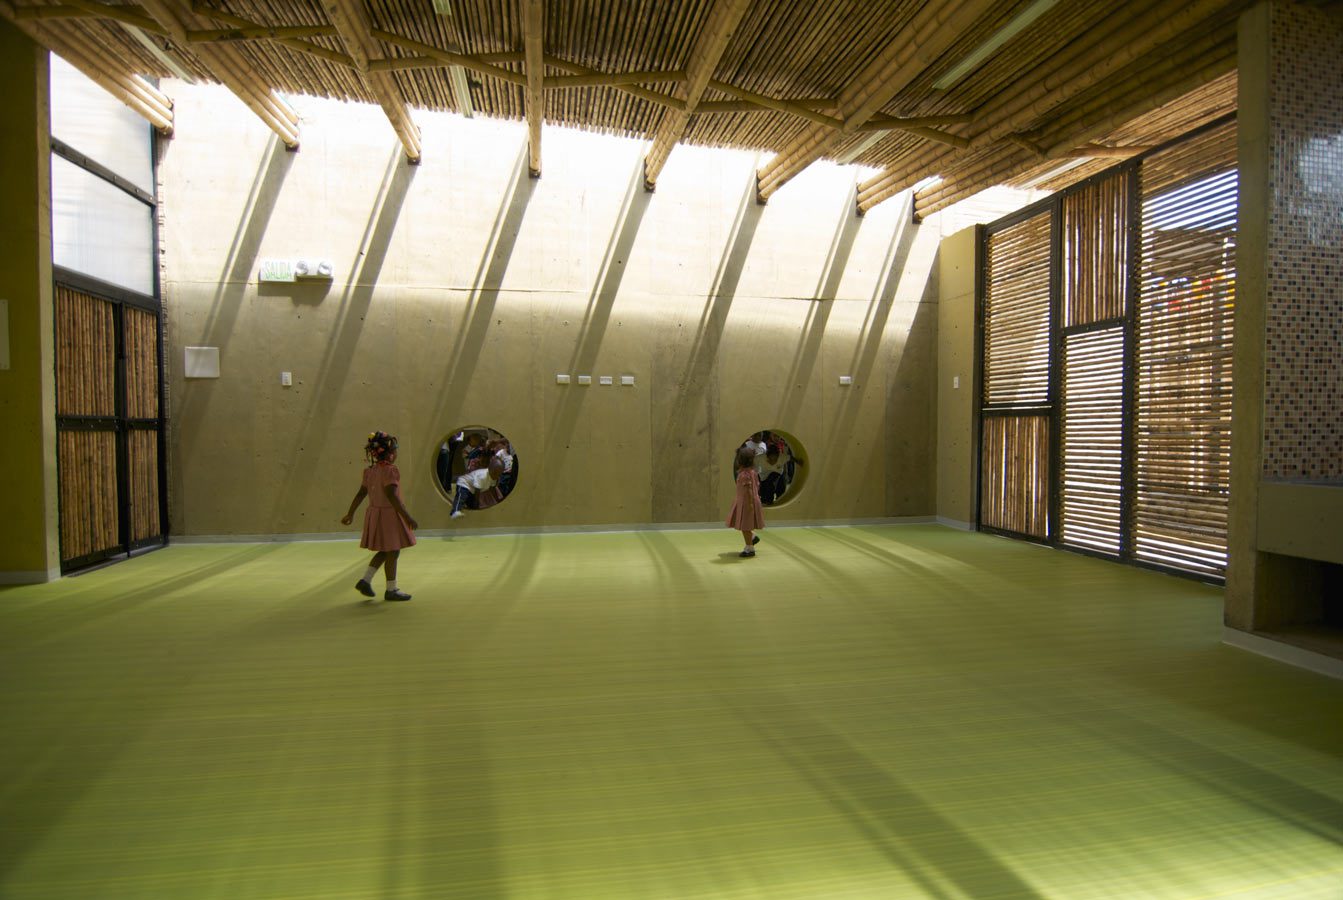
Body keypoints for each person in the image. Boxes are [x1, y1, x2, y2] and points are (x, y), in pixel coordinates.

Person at [341, 431, 418, 601]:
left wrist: (350, 513)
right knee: (393, 550)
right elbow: (392, 495)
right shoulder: (391, 471)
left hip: (375, 513)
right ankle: (391, 589)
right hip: (389, 515)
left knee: (385, 550)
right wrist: (407, 516)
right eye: (396, 451)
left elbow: (361, 493)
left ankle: (365, 580)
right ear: (390, 453)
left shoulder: (370, 471)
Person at [726, 445, 764, 558]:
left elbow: (748, 491)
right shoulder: (752, 472)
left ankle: (750, 547)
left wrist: (750, 504)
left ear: (740, 461)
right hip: (747, 501)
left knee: (745, 526)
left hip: (747, 503)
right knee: (744, 525)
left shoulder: (744, 475)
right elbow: (757, 486)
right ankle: (752, 538)